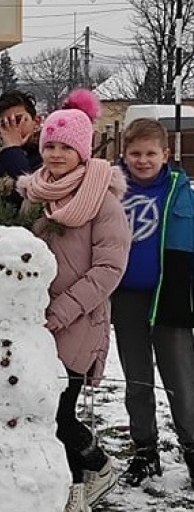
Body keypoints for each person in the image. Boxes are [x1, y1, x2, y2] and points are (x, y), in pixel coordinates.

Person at [16, 89, 131, 512]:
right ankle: (81, 477)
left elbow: (108, 270)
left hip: (79, 323)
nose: (56, 154)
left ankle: (89, 476)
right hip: (38, 324)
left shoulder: (103, 201)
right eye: (49, 145)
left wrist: (60, 310)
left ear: (82, 151)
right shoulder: (35, 195)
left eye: (66, 146)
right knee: (43, 410)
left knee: (58, 412)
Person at [112, 118, 194, 488]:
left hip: (170, 299)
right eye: (135, 154)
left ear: (166, 154)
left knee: (180, 377)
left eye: (150, 154)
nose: (143, 161)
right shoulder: (111, 186)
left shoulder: (178, 189)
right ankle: (144, 450)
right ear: (124, 155)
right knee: (137, 379)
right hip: (126, 297)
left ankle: (191, 446)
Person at [0, 89, 42, 180]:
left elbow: (30, 187)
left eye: (18, 120)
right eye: (5, 124)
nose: (13, 128)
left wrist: (13, 150)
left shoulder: (49, 157)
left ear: (36, 122)